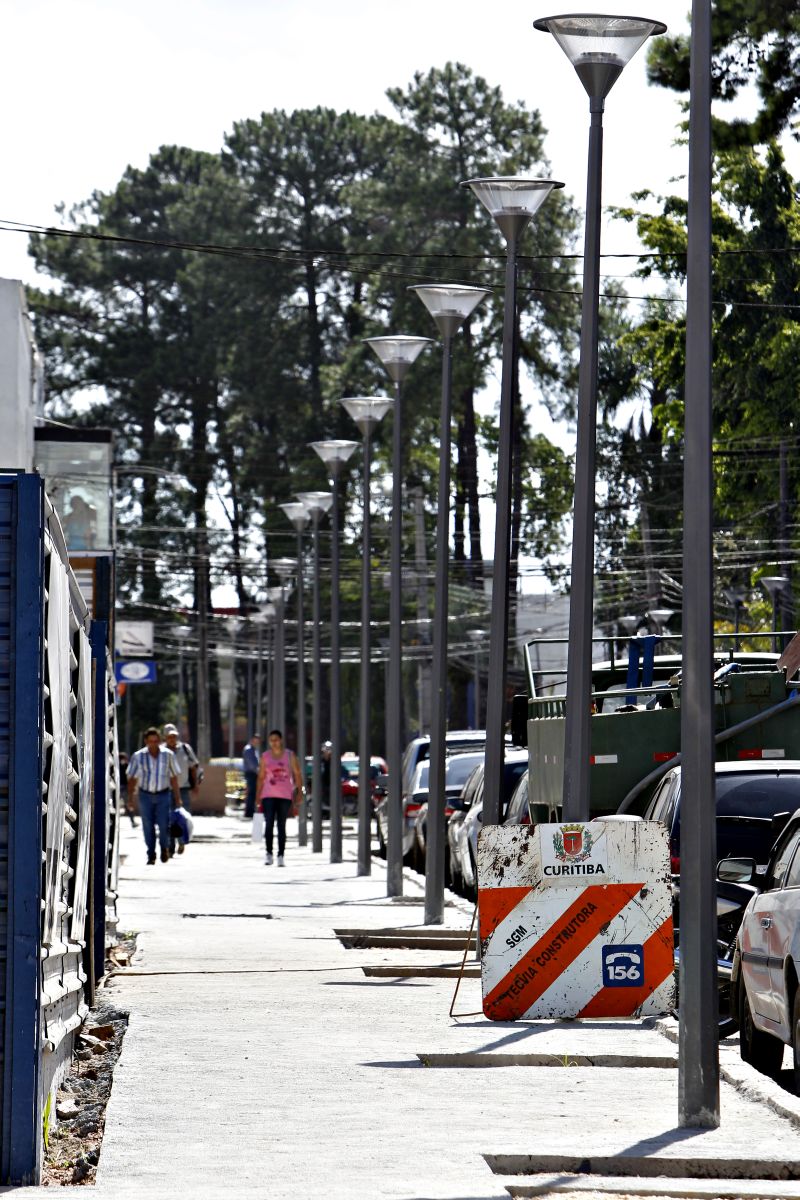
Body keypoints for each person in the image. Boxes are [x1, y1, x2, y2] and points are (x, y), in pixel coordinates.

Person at [127, 727, 182, 865]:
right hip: (145, 795)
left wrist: (177, 798)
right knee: (148, 825)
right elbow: (132, 778)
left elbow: (174, 778)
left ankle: (164, 848)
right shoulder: (138, 756)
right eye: (150, 741)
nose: (153, 744)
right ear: (146, 741)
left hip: (163, 794)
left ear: (159, 741)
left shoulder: (168, 755)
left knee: (164, 825)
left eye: (156, 741)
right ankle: (151, 854)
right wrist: (130, 799)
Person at [257, 729, 304, 867]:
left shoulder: (289, 755)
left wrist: (300, 792)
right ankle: (269, 853)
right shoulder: (265, 756)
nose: (274, 743)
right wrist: (257, 795)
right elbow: (261, 776)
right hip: (268, 795)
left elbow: (297, 774)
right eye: (271, 740)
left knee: (281, 825)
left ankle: (281, 855)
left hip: (284, 795)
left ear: (281, 740)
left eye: (276, 740)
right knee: (269, 824)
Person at [163, 723, 199, 853]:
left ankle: (182, 841)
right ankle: (170, 846)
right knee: (168, 818)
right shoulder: (161, 751)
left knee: (182, 818)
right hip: (166, 790)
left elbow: (193, 767)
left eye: (174, 736)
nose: (172, 739)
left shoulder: (185, 749)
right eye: (169, 737)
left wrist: (195, 785)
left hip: (183, 788)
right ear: (165, 737)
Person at [242, 733, 261, 819]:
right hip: (251, 774)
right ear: (252, 740)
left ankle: (250, 810)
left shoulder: (253, 749)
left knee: (252, 793)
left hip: (253, 773)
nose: (257, 743)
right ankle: (249, 812)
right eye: (256, 740)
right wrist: (259, 772)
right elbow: (252, 765)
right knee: (251, 793)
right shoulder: (249, 749)